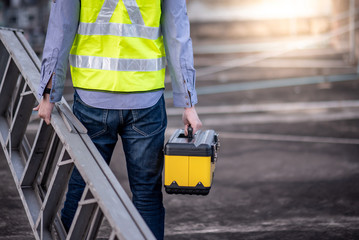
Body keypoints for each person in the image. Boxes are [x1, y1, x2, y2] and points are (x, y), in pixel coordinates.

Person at [33, 0, 202, 239]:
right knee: (146, 194)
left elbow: (61, 28)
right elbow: (178, 36)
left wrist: (49, 93)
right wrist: (188, 104)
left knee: (81, 189)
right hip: (145, 101)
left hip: (93, 98)